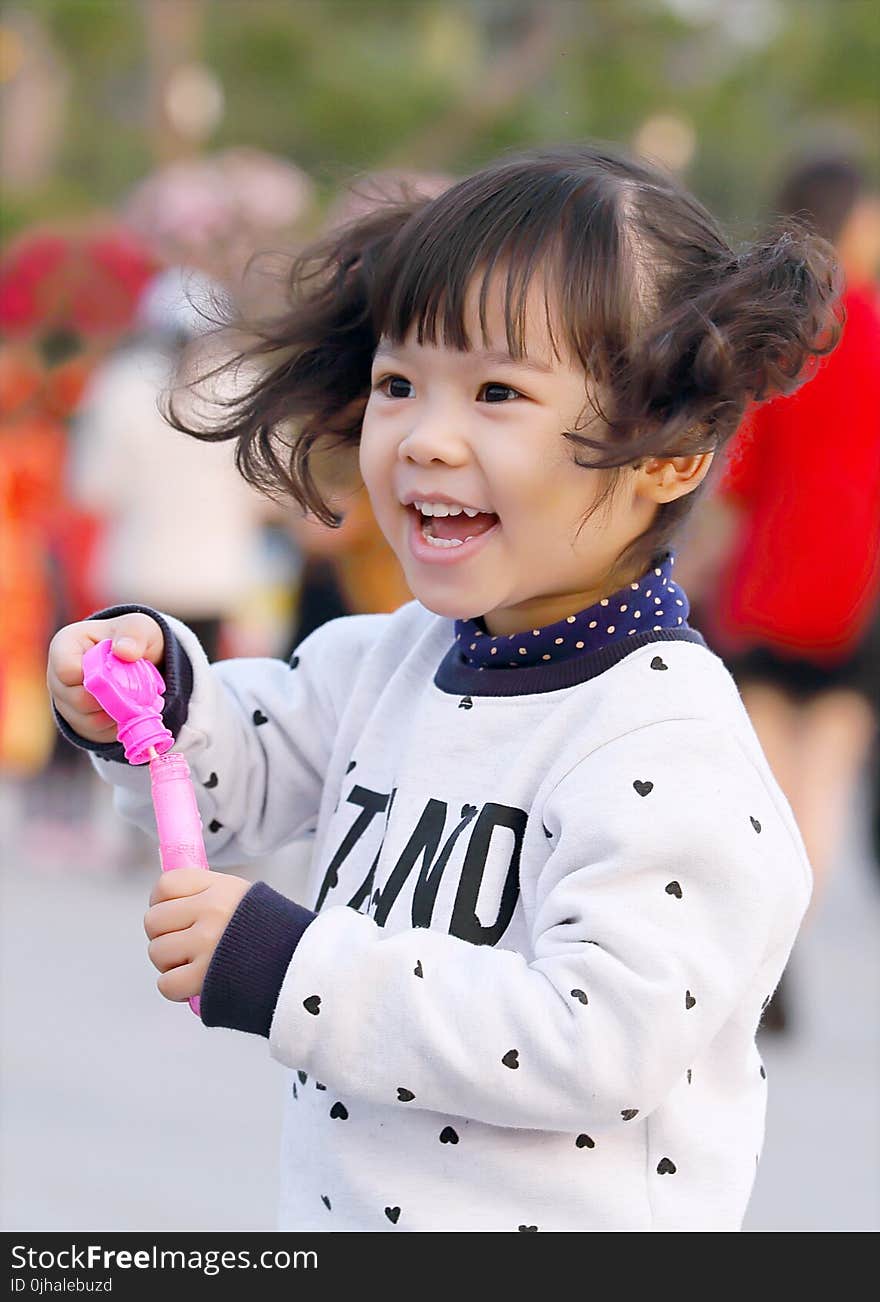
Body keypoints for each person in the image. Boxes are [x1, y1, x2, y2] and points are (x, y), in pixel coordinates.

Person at [47, 144, 842, 1232]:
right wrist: (154, 700)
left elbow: (594, 1038)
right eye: (398, 383)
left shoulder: (664, 748)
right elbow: (241, 774)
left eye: (499, 391)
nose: (427, 437)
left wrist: (293, 968)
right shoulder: (390, 657)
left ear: (668, 452)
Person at [676, 156, 880, 1030]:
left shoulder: (781, 331)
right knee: (824, 779)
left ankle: (761, 952)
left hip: (764, 579)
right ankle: (785, 940)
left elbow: (737, 476)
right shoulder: (875, 323)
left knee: (761, 779)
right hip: (860, 587)